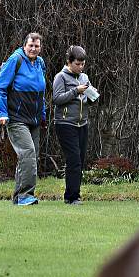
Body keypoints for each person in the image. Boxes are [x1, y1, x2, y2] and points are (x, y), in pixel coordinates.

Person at [0, 32, 47, 206]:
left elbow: (42, 91)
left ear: (40, 47)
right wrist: (1, 113)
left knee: (31, 157)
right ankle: (25, 195)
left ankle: (19, 197)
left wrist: (43, 113)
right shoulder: (15, 60)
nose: (33, 48)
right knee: (28, 153)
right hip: (16, 118)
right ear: (25, 45)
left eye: (36, 46)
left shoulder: (40, 63)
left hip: (35, 119)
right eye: (30, 45)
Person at [52, 45, 98, 205]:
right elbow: (56, 99)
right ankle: (71, 197)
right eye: (77, 64)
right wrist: (75, 92)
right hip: (65, 124)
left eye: (82, 64)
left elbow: (86, 100)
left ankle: (74, 195)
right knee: (74, 160)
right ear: (69, 62)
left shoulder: (84, 78)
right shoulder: (61, 77)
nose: (80, 67)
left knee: (80, 159)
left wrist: (92, 96)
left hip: (82, 124)